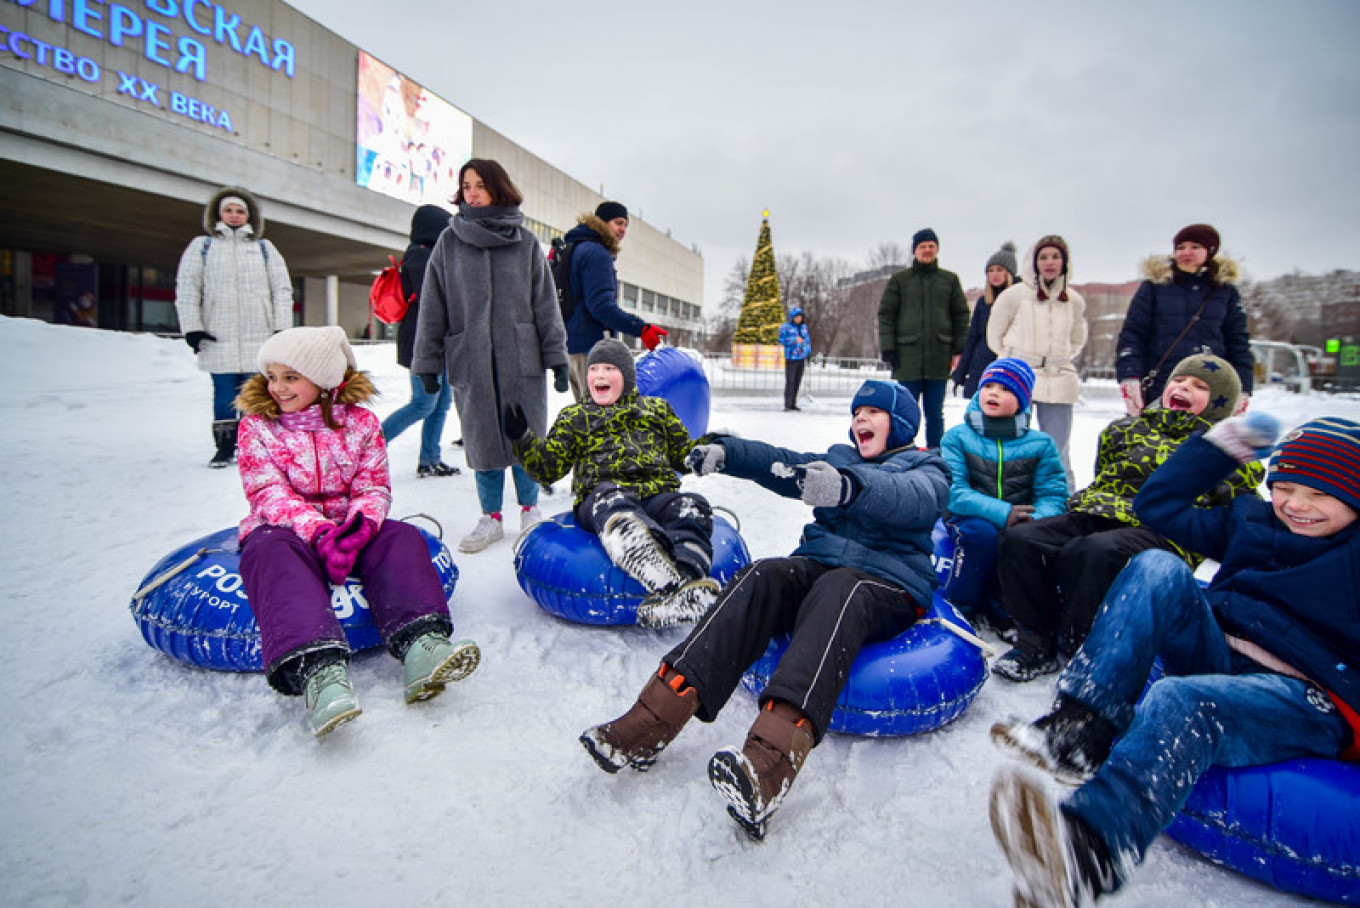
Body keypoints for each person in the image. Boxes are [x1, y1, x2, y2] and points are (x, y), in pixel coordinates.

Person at [988, 414, 1360, 907]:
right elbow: (1157, 505)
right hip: (1221, 655)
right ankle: (1079, 729)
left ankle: (1090, 850)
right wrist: (1222, 448)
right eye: (1285, 486)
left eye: (1320, 494)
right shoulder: (1252, 521)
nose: (1296, 505)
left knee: (1180, 699)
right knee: (1156, 565)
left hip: (1302, 696)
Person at [579, 379, 948, 840]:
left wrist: (848, 487)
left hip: (888, 585)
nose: (860, 420)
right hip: (822, 569)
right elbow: (782, 464)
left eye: (873, 412)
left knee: (839, 588)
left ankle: (768, 769)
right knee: (764, 573)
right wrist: (729, 453)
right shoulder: (840, 457)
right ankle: (649, 722)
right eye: (856, 412)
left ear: (903, 425)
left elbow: (910, 498)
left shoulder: (929, 467)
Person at [234, 326, 480, 738]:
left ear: (325, 379)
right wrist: (317, 532)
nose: (277, 387)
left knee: (401, 537)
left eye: (291, 377)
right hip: (286, 527)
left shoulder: (362, 424)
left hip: (349, 525)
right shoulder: (258, 426)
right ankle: (321, 673)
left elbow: (373, 485)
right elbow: (266, 491)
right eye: (272, 376)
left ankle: (422, 646)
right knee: (270, 553)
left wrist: (361, 526)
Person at [991, 354, 1262, 682]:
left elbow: (1237, 507)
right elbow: (1104, 471)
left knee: (1094, 551)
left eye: (1200, 386)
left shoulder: (1217, 452)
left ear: (1220, 404)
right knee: (1022, 539)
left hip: (1163, 529)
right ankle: (1036, 638)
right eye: (1178, 380)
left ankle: (1085, 647)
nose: (1183, 387)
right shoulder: (1127, 428)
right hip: (1099, 512)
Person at [411, 159, 569, 554]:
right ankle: (490, 518)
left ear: (498, 187)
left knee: (525, 433)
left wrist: (558, 357)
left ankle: (531, 509)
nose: (473, 192)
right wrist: (428, 363)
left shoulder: (526, 242)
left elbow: (545, 304)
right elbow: (433, 307)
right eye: (466, 186)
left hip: (522, 357)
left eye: (480, 184)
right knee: (481, 436)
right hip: (471, 358)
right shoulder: (449, 243)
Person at [504, 338, 718, 627]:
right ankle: (649, 561)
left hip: (657, 493)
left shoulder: (657, 410)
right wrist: (522, 439)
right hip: (603, 496)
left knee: (692, 506)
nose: (599, 376)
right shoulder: (576, 416)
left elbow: (682, 455)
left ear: (627, 376)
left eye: (609, 368)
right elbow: (548, 469)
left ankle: (687, 583)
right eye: (593, 369)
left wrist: (706, 449)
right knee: (612, 498)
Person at [938, 357, 1067, 640]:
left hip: (1018, 517)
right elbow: (954, 491)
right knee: (981, 535)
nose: (994, 393)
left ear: (1022, 400)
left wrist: (1035, 519)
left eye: (1006, 389)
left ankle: (1005, 608)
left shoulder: (1041, 443)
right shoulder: (957, 437)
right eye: (989, 386)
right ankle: (962, 606)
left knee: (1019, 540)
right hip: (968, 515)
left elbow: (1053, 494)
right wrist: (1002, 512)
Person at [175, 186, 294, 468]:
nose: (234, 215)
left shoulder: (264, 248)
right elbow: (188, 288)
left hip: (258, 336)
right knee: (225, 394)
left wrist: (281, 328)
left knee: (257, 395)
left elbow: (281, 289)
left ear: (249, 216)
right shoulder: (202, 247)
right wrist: (192, 327)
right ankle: (225, 447)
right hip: (219, 336)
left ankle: (255, 447)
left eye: (240, 211)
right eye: (229, 210)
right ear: (218, 214)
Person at [1116, 223, 1254, 418]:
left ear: (1210, 251)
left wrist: (1243, 387)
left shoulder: (1225, 292)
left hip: (1209, 391)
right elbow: (1132, 335)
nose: (1186, 252)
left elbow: (1238, 343)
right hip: (1162, 385)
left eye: (1195, 246)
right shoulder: (1154, 287)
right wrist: (1129, 376)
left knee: (1202, 447)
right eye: (1181, 247)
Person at [987, 235, 1088, 488]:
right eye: (1043, 257)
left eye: (1056, 256)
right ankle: (1009, 498)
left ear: (1065, 262)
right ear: (1034, 261)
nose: (1050, 262)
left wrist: (1054, 359)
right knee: (1012, 444)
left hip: (1059, 378)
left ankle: (1062, 501)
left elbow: (1077, 340)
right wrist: (1017, 362)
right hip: (1019, 377)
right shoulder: (1014, 296)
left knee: (1057, 449)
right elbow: (994, 337)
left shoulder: (1073, 300)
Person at [380, 204, 461, 479]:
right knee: (423, 403)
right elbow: (434, 299)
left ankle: (429, 459)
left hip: (443, 341)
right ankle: (368, 447)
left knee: (441, 403)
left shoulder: (437, 256)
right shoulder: (420, 256)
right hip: (422, 342)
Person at [561, 200, 667, 402]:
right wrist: (640, 329)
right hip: (590, 350)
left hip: (572, 347)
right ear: (602, 222)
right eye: (618, 223)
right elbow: (601, 307)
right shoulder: (596, 253)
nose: (623, 229)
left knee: (586, 414)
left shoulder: (577, 247)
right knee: (599, 417)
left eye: (626, 225)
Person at [877, 227, 970, 448]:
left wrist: (958, 350)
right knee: (904, 411)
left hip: (939, 357)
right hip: (907, 358)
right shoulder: (900, 280)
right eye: (922, 246)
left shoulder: (949, 280)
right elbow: (886, 314)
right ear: (915, 251)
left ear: (937, 249)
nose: (927, 250)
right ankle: (902, 451)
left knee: (935, 414)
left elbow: (961, 315)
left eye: (931, 246)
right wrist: (888, 348)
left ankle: (936, 456)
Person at [952, 241, 1018, 398]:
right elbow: (972, 338)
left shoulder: (1020, 300)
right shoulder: (983, 302)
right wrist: (960, 373)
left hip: (1009, 365)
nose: (994, 274)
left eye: (999, 270)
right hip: (981, 367)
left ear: (1009, 273)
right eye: (990, 270)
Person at [778, 306, 811, 411]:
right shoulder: (786, 327)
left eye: (800, 317)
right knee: (790, 381)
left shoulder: (803, 327)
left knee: (797, 381)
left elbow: (807, 340)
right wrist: (794, 340)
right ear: (792, 317)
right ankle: (787, 403)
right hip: (791, 357)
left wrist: (807, 352)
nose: (798, 319)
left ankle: (793, 403)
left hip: (801, 358)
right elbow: (781, 339)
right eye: (796, 317)